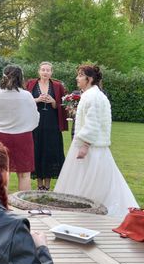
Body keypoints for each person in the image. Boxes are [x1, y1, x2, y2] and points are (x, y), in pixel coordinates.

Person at [54, 65, 139, 218]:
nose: (77, 78)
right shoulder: (91, 95)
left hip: (91, 148)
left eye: (80, 75)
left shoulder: (94, 96)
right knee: (83, 179)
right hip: (88, 145)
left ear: (90, 79)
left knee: (92, 181)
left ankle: (89, 211)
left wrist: (85, 145)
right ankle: (81, 210)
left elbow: (93, 123)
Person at [0, 65, 39, 192]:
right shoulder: (26, 95)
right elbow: (35, 117)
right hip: (22, 137)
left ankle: (1, 204)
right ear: (21, 78)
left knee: (2, 173)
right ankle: (22, 207)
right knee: (24, 174)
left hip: (0, 136)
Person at [25, 62, 67, 191]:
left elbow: (63, 105)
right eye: (43, 70)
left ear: (51, 72)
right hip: (35, 124)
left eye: (48, 70)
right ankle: (39, 185)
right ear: (39, 71)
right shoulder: (31, 84)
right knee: (37, 150)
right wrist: (36, 100)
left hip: (51, 124)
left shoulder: (58, 86)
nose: (45, 72)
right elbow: (24, 101)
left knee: (50, 151)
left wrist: (53, 102)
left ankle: (47, 185)